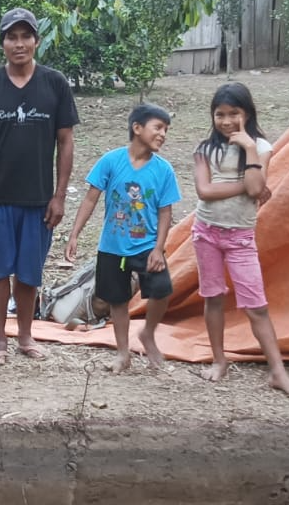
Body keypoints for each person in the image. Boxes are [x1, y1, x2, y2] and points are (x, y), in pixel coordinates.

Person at [0, 7, 78, 366]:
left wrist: (58, 196)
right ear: (2, 44)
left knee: (29, 272)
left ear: (36, 41)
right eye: (11, 37)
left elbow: (66, 141)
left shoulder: (54, 84)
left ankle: (25, 336)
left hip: (39, 199)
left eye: (25, 36)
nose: (19, 43)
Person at [191, 83, 289, 397]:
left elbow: (257, 191)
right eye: (220, 114)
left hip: (240, 237)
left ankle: (278, 372)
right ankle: (219, 360)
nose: (226, 121)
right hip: (206, 233)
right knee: (212, 297)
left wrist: (249, 150)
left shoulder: (262, 147)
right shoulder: (204, 150)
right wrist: (248, 185)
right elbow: (206, 192)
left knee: (256, 306)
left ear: (247, 114)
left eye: (233, 114)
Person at [64, 103, 181, 373]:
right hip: (112, 248)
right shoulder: (111, 161)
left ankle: (148, 333)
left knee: (162, 291)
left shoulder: (164, 170)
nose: (163, 134)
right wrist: (74, 234)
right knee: (116, 300)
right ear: (137, 128)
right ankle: (122, 354)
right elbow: (90, 199)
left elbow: (166, 212)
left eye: (166, 130)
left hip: (147, 246)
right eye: (158, 127)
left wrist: (158, 248)